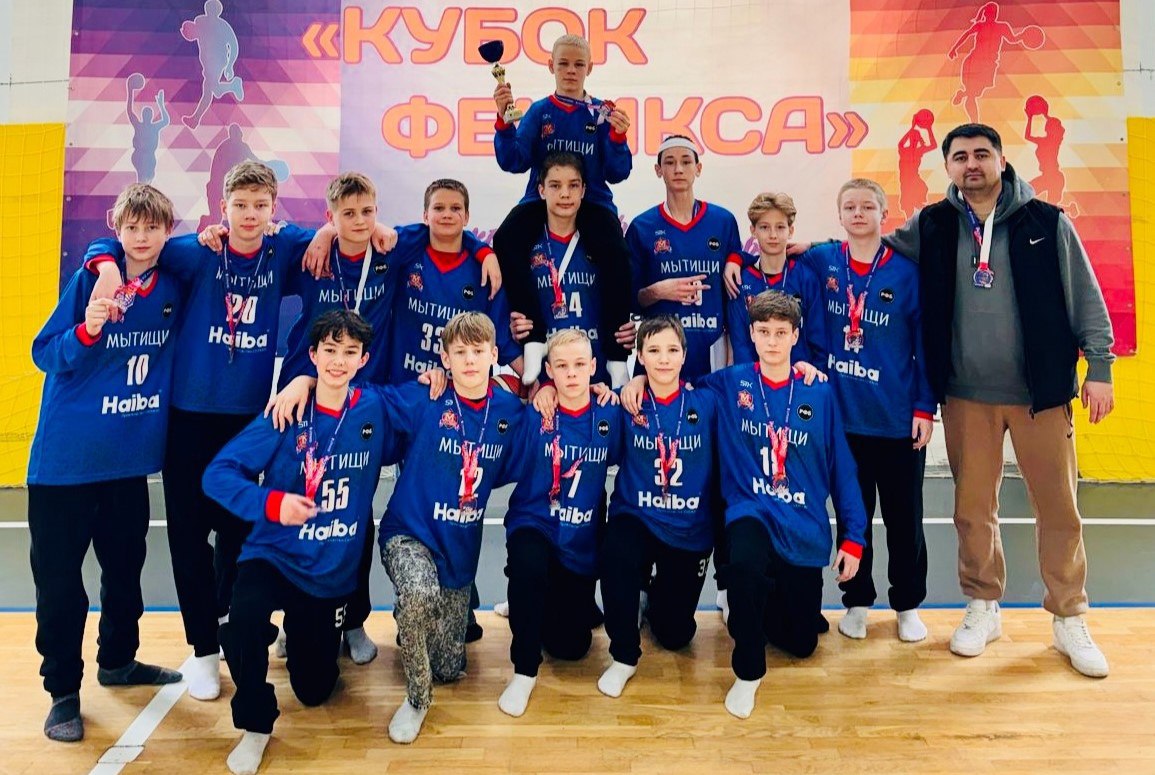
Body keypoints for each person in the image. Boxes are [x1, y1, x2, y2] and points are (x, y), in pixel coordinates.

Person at [882, 122, 1115, 677]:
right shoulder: (932, 224)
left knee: (1058, 509)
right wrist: (807, 252)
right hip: (965, 396)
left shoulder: (1046, 222)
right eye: (960, 156)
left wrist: (1100, 367)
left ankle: (1068, 617)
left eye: (981, 154)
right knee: (972, 509)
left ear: (1001, 161)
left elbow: (1085, 296)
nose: (972, 165)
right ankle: (983, 606)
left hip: (1041, 395)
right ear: (948, 167)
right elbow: (872, 249)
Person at [86, 161, 317, 700]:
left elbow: (335, 236)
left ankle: (232, 627)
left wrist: (329, 233)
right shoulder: (196, 251)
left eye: (261, 205)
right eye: (240, 205)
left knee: (237, 534)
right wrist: (106, 268)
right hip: (187, 419)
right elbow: (122, 243)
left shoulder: (283, 249)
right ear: (223, 207)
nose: (250, 215)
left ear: (274, 209)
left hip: (246, 421)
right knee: (189, 539)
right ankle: (204, 651)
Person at [626, 292, 865, 718]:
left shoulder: (819, 392)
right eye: (763, 331)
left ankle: (759, 605)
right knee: (744, 563)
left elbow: (843, 470)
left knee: (802, 643)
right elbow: (674, 384)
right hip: (750, 511)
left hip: (801, 525)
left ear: (795, 336)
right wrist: (640, 380)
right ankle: (748, 672)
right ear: (751, 334)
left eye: (781, 333)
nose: (772, 341)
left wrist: (854, 538)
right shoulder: (729, 383)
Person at [203, 311, 394, 775]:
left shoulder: (376, 408)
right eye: (329, 351)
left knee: (314, 691)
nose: (338, 361)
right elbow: (217, 475)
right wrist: (272, 503)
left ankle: (304, 632)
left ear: (363, 360)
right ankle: (255, 725)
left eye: (349, 352)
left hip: (328, 572)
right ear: (312, 355)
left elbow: (436, 401)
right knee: (242, 623)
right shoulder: (284, 413)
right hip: (274, 554)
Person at [28, 184, 184, 742]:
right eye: (131, 227)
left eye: (152, 227)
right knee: (60, 586)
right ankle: (62, 692)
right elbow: (44, 352)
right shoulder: (89, 280)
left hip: (126, 465)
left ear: (167, 231)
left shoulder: (174, 284)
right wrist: (88, 330)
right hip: (65, 467)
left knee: (124, 574)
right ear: (117, 229)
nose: (141, 237)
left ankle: (118, 661)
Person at [380, 312, 527, 743]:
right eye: (459, 352)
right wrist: (306, 382)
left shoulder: (509, 410)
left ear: (494, 354)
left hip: (458, 548)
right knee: (419, 592)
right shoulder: (426, 396)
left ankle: (412, 618)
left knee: (448, 667)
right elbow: (366, 398)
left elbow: (540, 431)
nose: (469, 360)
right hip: (409, 532)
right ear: (444, 358)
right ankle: (416, 701)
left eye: (478, 351)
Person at [801, 179, 936, 642]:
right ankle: (856, 600)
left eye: (867, 207)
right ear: (839, 216)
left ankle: (908, 604)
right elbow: (778, 255)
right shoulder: (822, 260)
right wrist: (741, 259)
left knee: (905, 519)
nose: (858, 214)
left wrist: (924, 406)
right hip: (843, 423)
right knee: (851, 516)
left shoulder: (906, 272)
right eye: (850, 207)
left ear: (884, 214)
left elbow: (924, 347)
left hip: (897, 421)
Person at [498, 329, 623, 717]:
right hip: (535, 522)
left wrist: (628, 385)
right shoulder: (535, 414)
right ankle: (524, 672)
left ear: (593, 367)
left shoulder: (610, 412)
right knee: (529, 567)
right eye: (562, 366)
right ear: (549, 370)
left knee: (572, 648)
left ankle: (538, 603)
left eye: (579, 365)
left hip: (579, 537)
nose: (571, 373)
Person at [597, 315, 717, 699]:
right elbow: (581, 407)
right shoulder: (625, 404)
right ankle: (623, 656)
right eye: (653, 350)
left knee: (675, 635)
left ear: (684, 355)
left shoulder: (708, 402)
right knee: (617, 553)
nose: (663, 359)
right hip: (638, 516)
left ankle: (649, 595)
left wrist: (802, 368)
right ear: (640, 357)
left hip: (688, 529)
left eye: (671, 350)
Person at [494, 152, 634, 386]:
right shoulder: (523, 244)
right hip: (545, 379)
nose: (565, 194)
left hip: (596, 376)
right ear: (541, 190)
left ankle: (616, 362)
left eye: (573, 185)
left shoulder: (603, 243)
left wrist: (624, 332)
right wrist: (515, 329)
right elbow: (500, 312)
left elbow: (624, 292)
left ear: (583, 190)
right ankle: (534, 347)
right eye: (555, 186)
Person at [627, 135, 745, 381]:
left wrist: (736, 258)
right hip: (661, 355)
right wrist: (658, 291)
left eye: (686, 161)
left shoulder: (723, 221)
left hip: (712, 352)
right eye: (670, 162)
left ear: (698, 168)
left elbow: (736, 288)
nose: (678, 169)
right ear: (658, 170)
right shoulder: (642, 227)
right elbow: (630, 299)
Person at [492, 33, 631, 219]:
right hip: (541, 200)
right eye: (563, 63)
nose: (571, 70)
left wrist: (618, 138)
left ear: (589, 68)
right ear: (551, 66)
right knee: (507, 234)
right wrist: (503, 122)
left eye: (579, 64)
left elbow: (617, 174)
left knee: (613, 239)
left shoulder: (601, 114)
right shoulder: (539, 111)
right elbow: (513, 161)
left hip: (593, 201)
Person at [726, 192, 826, 366]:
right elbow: (740, 344)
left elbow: (818, 341)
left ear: (791, 231)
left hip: (798, 377)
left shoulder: (806, 278)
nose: (773, 235)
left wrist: (811, 377)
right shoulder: (741, 280)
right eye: (764, 227)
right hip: (755, 379)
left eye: (780, 227)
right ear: (753, 231)